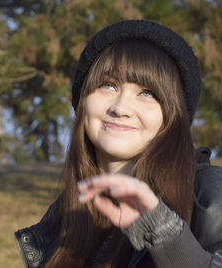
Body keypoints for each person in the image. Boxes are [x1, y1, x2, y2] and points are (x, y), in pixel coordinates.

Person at [15, 20, 222, 268]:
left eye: (148, 93)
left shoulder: (210, 197)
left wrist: (165, 233)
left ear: (175, 117)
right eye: (108, 85)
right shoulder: (60, 220)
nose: (120, 108)